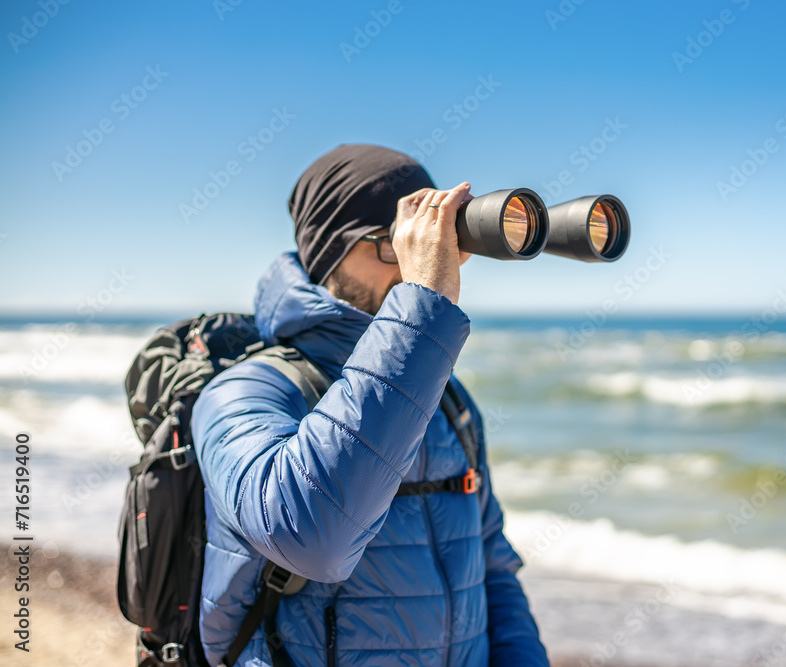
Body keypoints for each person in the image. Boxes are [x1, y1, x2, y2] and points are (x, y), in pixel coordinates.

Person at [190, 144, 549, 666]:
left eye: (425, 243)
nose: (408, 264)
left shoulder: (447, 400)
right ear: (327, 254)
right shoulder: (244, 390)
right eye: (388, 245)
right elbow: (314, 536)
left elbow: (493, 572)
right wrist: (424, 298)